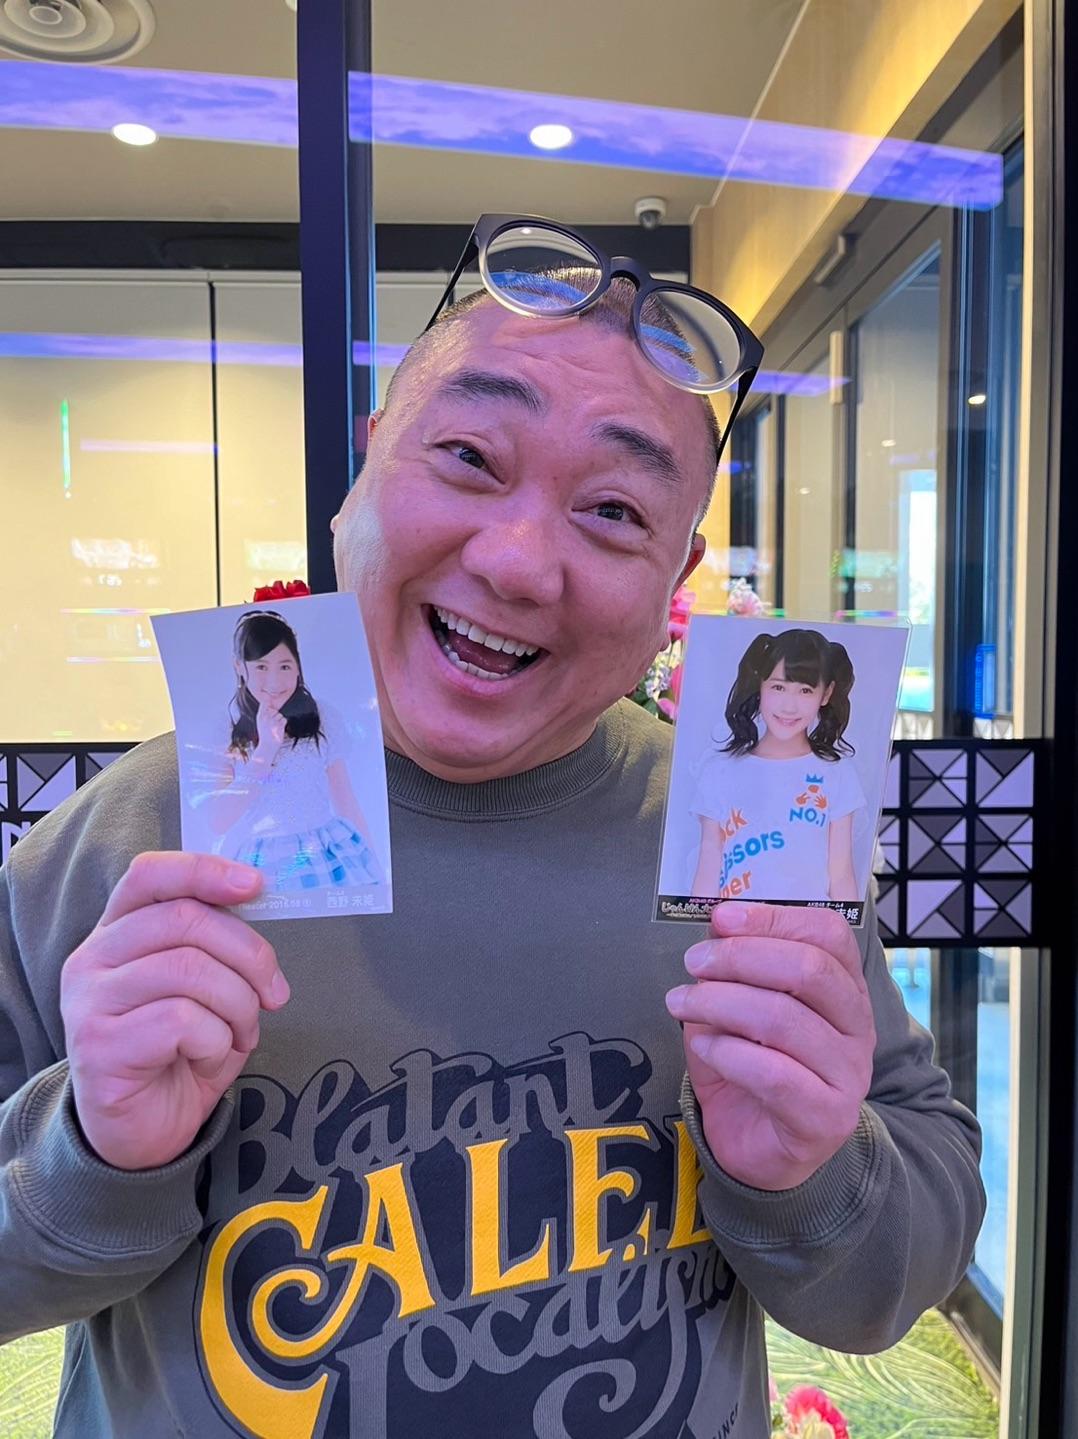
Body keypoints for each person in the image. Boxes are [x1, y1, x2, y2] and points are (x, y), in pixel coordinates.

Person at [0, 218, 983, 1439]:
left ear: (677, 577)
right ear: (366, 467)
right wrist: (91, 1153)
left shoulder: (747, 851)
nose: (518, 563)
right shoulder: (131, 843)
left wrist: (811, 1171)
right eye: (468, 455)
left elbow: (910, 1247)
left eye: (614, 510)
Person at [203, 609, 382, 894]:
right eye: (261, 667)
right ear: (239, 667)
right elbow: (218, 820)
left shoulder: (322, 716)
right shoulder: (226, 726)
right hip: (261, 862)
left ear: (298, 667)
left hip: (327, 851)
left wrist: (377, 874)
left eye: (284, 666)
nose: (274, 681)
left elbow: (346, 801)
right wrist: (266, 749)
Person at [690, 629, 864, 903]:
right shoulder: (719, 771)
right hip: (736, 925)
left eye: (805, 690)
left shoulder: (837, 774)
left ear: (826, 693)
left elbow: (841, 876)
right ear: (760, 685)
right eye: (778, 687)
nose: (789, 706)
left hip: (809, 926)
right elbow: (708, 870)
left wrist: (844, 929)